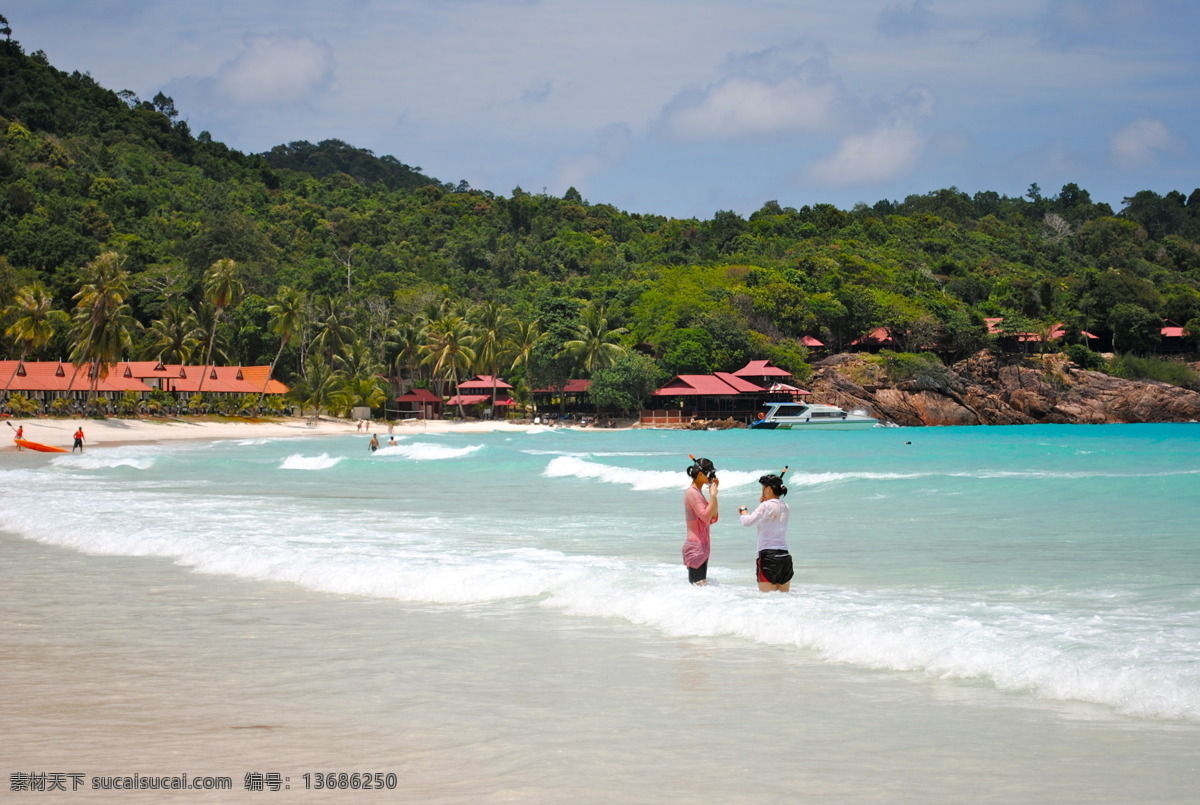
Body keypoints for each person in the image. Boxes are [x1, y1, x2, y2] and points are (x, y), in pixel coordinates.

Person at [738, 473, 793, 592]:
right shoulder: (786, 506)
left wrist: (743, 511)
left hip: (768, 556)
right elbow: (770, 517)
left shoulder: (765, 506)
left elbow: (747, 522)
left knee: (767, 600)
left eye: (763, 488)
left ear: (768, 489)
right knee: (784, 600)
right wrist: (764, 503)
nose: (762, 491)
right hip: (785, 557)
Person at [682, 457, 719, 585]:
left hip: (702, 547)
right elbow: (706, 516)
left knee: (701, 587)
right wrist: (713, 495)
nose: (712, 476)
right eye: (710, 474)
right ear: (700, 474)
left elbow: (713, 517)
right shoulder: (693, 493)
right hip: (696, 548)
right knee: (697, 587)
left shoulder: (698, 493)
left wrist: (713, 495)